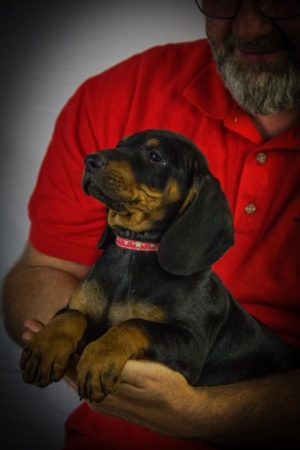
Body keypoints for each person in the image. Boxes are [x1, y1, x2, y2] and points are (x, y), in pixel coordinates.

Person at [3, 0, 300, 448]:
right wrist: (70, 330)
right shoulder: (119, 90)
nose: (251, 24)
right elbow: (43, 269)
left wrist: (208, 416)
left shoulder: (194, 252)